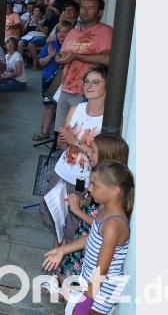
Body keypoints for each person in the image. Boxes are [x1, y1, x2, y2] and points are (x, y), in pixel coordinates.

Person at [42, 161, 133, 315]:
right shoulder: (106, 210)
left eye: (95, 185)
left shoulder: (114, 224)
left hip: (99, 294)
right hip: (89, 284)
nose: (90, 188)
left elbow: (101, 270)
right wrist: (62, 250)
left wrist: (86, 303)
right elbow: (92, 238)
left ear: (115, 191)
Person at [40, 64, 109, 246]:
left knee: (73, 230)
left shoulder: (109, 120)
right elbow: (62, 144)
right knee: (56, 223)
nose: (89, 85)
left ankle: (62, 268)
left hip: (85, 182)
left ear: (107, 86)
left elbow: (103, 161)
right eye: (86, 81)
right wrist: (65, 139)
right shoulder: (76, 109)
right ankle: (56, 266)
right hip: (62, 173)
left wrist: (76, 141)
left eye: (96, 82)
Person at [56, 134, 129, 283]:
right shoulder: (101, 183)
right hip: (83, 241)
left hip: (89, 252)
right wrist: (80, 203)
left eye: (93, 151)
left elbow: (98, 224)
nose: (89, 152)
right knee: (67, 277)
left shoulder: (108, 197)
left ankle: (71, 301)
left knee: (71, 282)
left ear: (106, 156)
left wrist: (77, 211)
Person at [54, 0, 112, 132]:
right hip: (65, 88)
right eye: (83, 7)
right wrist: (59, 58)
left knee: (78, 134)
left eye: (90, 8)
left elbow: (108, 59)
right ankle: (63, 154)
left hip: (86, 92)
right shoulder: (73, 31)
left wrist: (76, 56)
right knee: (61, 133)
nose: (85, 11)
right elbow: (62, 53)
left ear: (100, 12)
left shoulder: (105, 31)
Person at [34, 21, 73, 141]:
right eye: (59, 32)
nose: (61, 35)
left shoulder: (73, 46)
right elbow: (40, 63)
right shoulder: (51, 44)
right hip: (49, 80)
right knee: (48, 105)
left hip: (68, 81)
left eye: (65, 32)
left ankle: (63, 137)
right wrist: (50, 56)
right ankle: (45, 132)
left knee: (66, 107)